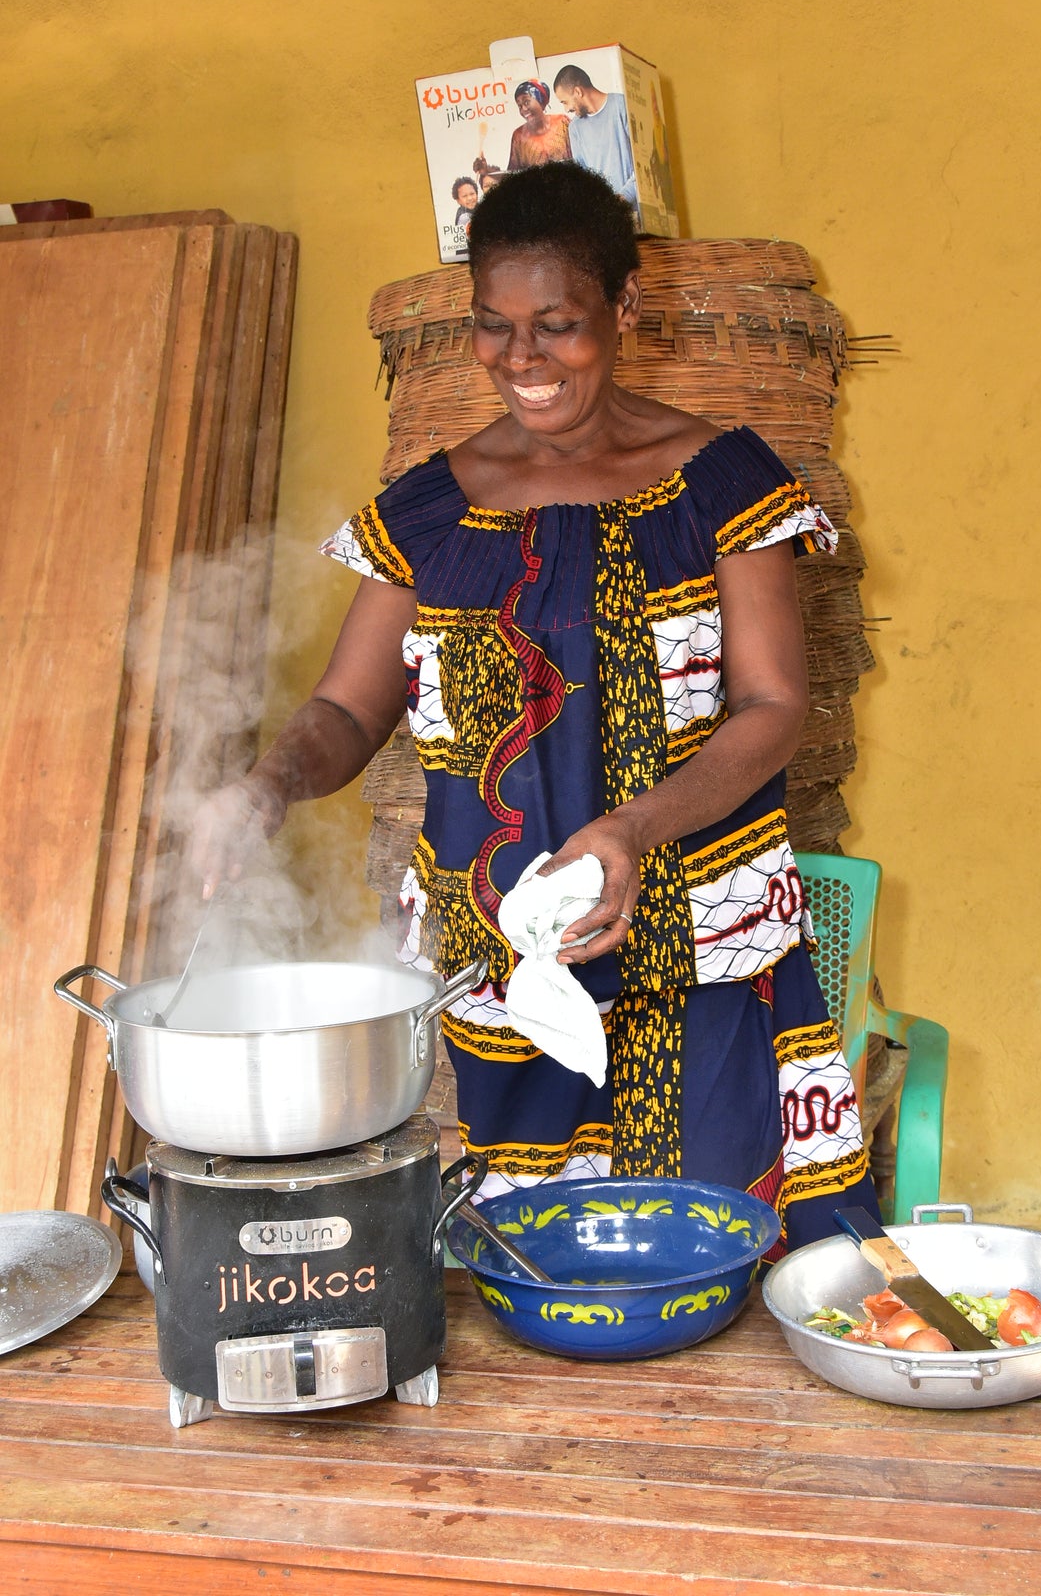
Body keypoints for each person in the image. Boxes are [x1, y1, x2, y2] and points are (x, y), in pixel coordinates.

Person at [195, 162, 879, 1250]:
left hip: (696, 940)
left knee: (711, 1247)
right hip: (501, 962)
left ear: (624, 310)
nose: (523, 359)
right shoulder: (427, 510)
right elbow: (343, 707)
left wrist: (631, 829)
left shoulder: (720, 481)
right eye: (494, 327)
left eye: (556, 323)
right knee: (537, 1254)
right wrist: (266, 785)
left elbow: (773, 706)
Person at [552, 65, 638, 211]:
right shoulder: (575, 128)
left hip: (636, 214)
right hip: (603, 217)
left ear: (578, 91)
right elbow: (582, 178)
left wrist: (623, 198)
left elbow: (644, 166)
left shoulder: (622, 106)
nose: (566, 110)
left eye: (565, 102)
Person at [506, 80, 572, 171]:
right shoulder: (519, 136)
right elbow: (512, 174)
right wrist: (488, 172)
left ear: (541, 101)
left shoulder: (562, 123)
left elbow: (581, 156)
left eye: (526, 102)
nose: (523, 109)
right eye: (519, 106)